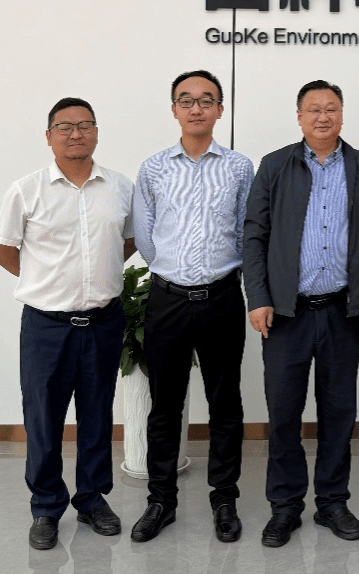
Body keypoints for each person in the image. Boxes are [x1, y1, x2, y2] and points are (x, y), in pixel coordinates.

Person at [242, 80, 359, 547]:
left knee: (339, 412)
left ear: (342, 114)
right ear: (299, 117)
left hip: (343, 311)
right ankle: (285, 506)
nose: (323, 117)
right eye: (313, 109)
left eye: (331, 108)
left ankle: (332, 503)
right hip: (287, 313)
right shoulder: (275, 165)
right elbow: (254, 234)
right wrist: (258, 297)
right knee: (283, 413)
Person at [0, 97, 135, 551]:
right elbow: (1, 248)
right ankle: (46, 507)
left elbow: (129, 241)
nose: (76, 133)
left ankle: (92, 500)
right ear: (49, 136)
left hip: (104, 321)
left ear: (96, 132)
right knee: (44, 419)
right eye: (65, 126)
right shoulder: (26, 190)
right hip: (46, 327)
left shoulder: (120, 187)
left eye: (85, 125)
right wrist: (43, 281)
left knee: (97, 414)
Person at [129, 70, 253, 544]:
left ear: (220, 109)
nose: (196, 108)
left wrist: (222, 273)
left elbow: (247, 231)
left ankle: (224, 499)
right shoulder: (153, 168)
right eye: (186, 100)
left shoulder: (239, 167)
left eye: (206, 100)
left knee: (225, 404)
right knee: (164, 405)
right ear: (174, 109)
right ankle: (161, 500)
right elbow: (146, 237)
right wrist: (174, 271)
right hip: (168, 300)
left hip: (222, 298)